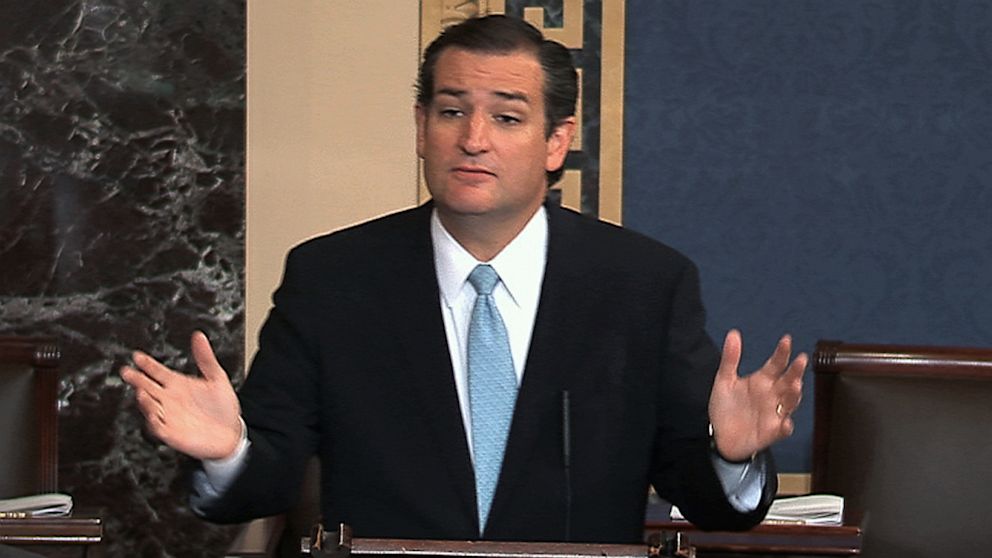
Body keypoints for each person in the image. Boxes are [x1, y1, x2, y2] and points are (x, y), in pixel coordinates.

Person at [121, 15, 805, 544]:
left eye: (507, 117)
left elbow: (707, 499)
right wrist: (228, 451)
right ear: (421, 128)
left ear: (557, 142)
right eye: (451, 111)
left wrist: (731, 457)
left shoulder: (643, 284)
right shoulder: (333, 279)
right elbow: (264, 479)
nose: (473, 138)